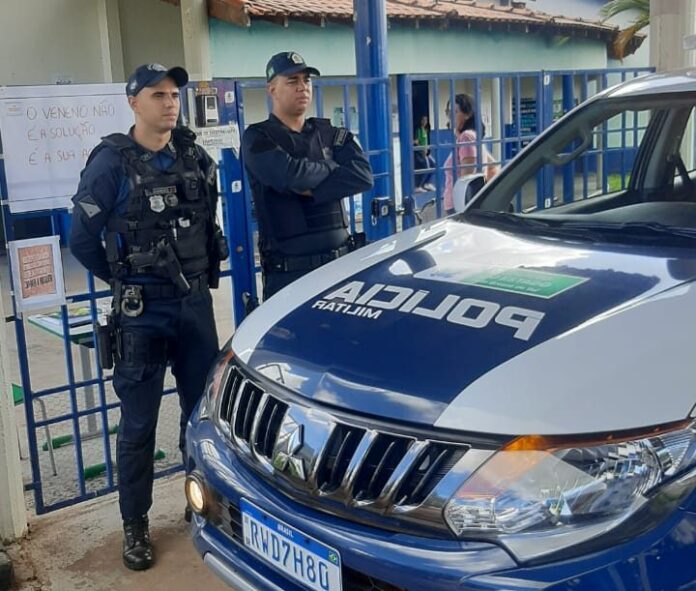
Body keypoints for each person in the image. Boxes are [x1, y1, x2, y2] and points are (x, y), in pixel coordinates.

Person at [70, 63, 228, 571]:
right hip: (141, 312)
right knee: (137, 426)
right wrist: (123, 282)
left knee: (201, 416)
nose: (170, 102)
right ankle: (135, 525)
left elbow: (209, 227)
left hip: (193, 309)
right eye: (158, 94)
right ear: (133, 102)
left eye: (174, 94)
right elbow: (81, 240)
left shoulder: (195, 157)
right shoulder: (111, 163)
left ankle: (198, 500)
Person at [241, 52, 374, 300]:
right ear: (272, 90)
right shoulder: (257, 137)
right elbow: (291, 175)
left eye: (306, 80)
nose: (302, 87)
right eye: (292, 81)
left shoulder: (332, 134)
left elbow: (363, 176)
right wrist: (332, 166)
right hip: (290, 275)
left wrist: (313, 190)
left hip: (340, 268)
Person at [442, 93, 499, 214]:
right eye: (448, 112)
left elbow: (466, 177)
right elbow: (493, 165)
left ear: (467, 115)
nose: (450, 116)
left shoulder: (466, 137)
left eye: (455, 112)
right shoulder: (472, 136)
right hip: (465, 203)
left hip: (459, 205)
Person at [413, 115, 436, 192]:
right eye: (423, 120)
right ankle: (418, 186)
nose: (425, 122)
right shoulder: (419, 130)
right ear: (421, 121)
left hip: (426, 152)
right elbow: (416, 141)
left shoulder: (425, 129)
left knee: (433, 164)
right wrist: (422, 149)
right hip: (421, 152)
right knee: (426, 167)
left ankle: (427, 183)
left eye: (426, 120)